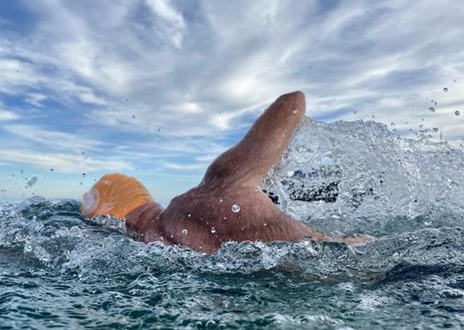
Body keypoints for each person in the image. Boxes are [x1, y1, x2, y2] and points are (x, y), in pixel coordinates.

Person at [81, 91, 371, 253]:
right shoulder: (214, 188)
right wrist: (269, 171)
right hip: (359, 262)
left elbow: (293, 103)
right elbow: (293, 104)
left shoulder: (154, 251)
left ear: (109, 220)